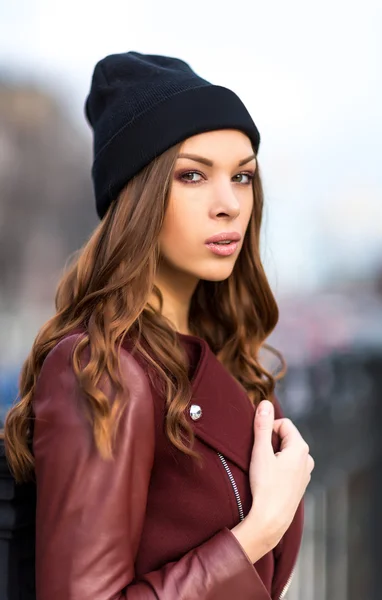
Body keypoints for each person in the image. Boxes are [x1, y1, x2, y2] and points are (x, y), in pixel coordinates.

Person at [4, 51, 314, 599]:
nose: (229, 205)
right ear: (138, 196)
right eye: (193, 175)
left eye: (242, 176)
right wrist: (257, 532)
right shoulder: (101, 369)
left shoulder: (227, 360)